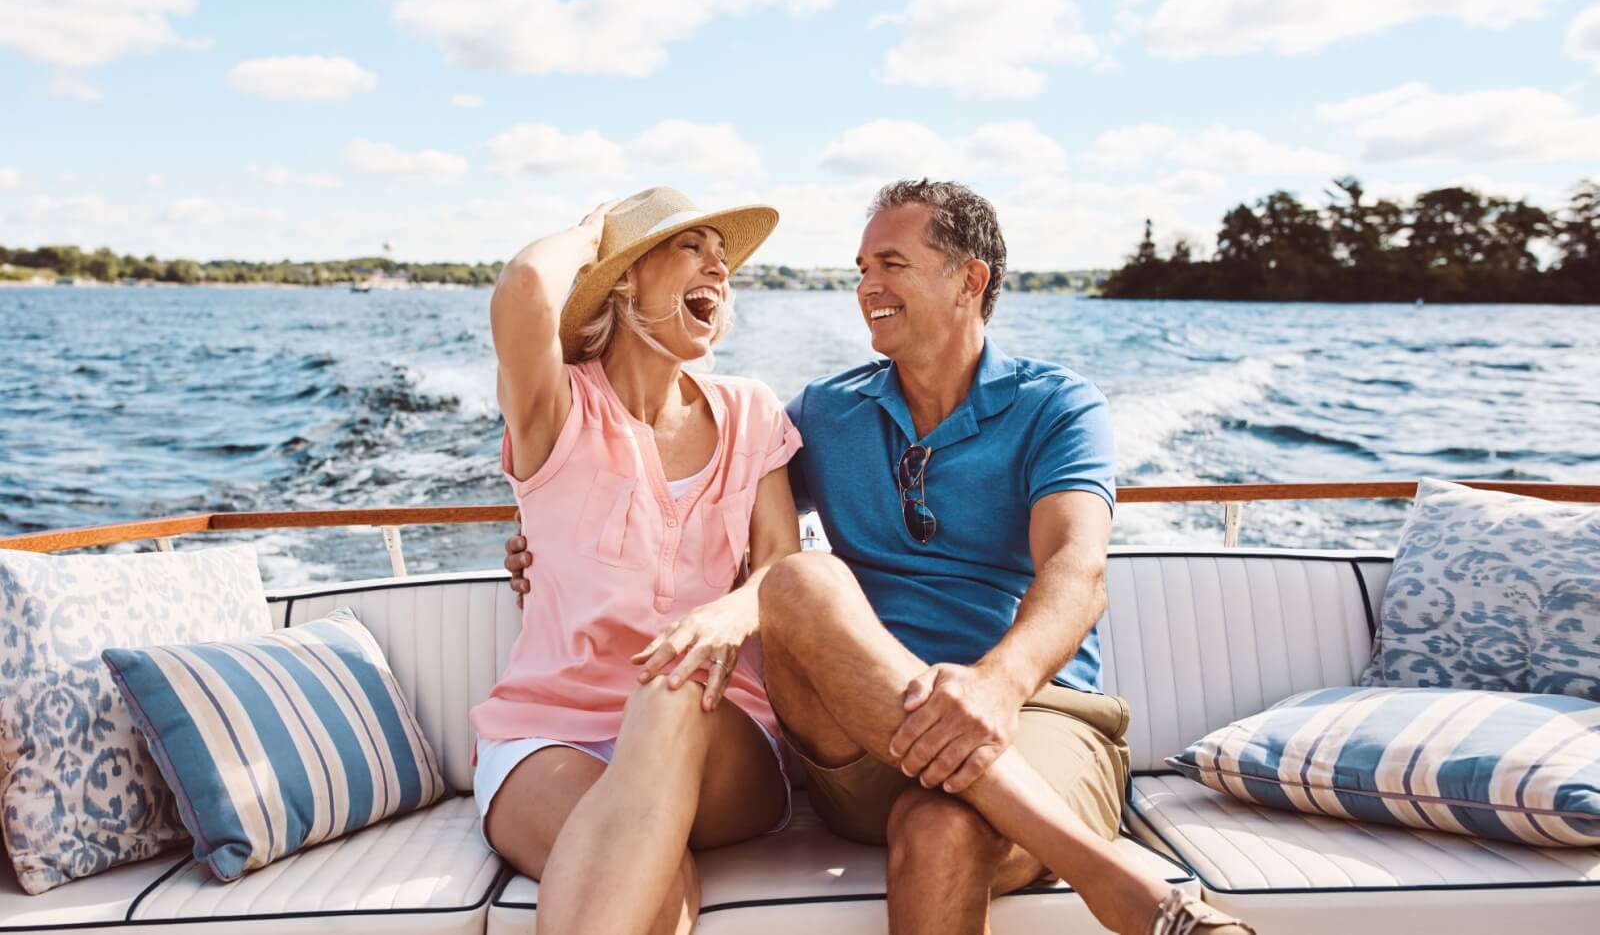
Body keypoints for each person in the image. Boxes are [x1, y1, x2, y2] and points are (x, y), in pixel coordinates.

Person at [506, 180, 1253, 935]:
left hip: (1032, 713)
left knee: (940, 831)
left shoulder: (1057, 407)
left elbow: (1076, 572)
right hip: (861, 740)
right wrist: (551, 543)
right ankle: (1112, 876)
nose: (867, 287)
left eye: (890, 264)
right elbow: (702, 506)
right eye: (861, 267)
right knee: (801, 575)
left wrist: (997, 684)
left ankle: (1087, 857)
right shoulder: (826, 413)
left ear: (970, 280)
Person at [476, 186, 804, 935]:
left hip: (721, 729)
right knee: (653, 885)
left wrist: (730, 611)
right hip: (550, 730)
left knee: (675, 691)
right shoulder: (556, 409)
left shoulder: (753, 411)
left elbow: (781, 564)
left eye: (725, 261)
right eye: (693, 248)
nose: (719, 271)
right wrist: (593, 234)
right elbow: (526, 287)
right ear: (624, 278)